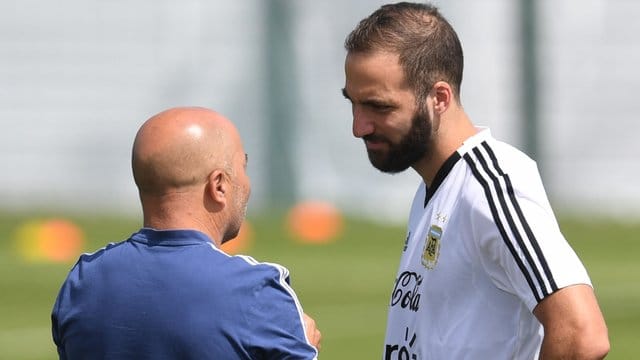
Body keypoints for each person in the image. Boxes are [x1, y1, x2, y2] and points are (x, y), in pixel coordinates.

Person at [342, 2, 609, 359]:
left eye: (380, 107)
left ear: (439, 98)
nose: (359, 127)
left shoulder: (491, 185)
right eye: (354, 104)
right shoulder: (434, 189)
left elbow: (581, 335)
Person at [51, 107, 321, 359]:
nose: (247, 184)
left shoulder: (82, 281)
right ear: (219, 186)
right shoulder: (258, 289)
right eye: (243, 167)